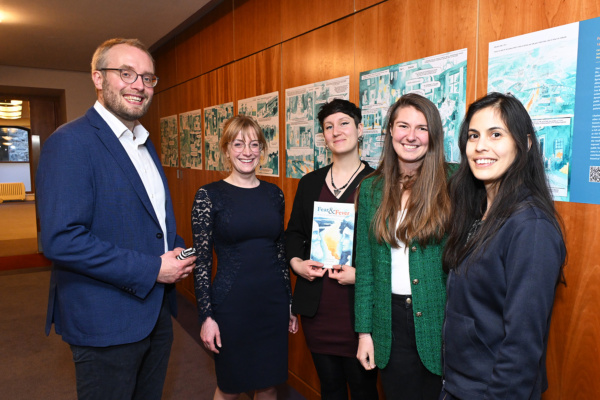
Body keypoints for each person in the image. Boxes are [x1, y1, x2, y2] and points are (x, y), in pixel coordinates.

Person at [36, 38, 196, 400]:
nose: (139, 85)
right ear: (98, 78)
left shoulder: (142, 140)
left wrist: (176, 250)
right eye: (126, 73)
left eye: (148, 78)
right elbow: (61, 239)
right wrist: (152, 269)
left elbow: (149, 218)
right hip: (105, 318)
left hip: (154, 311)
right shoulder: (71, 142)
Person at [440, 92, 566, 399]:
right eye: (473, 135)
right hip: (459, 384)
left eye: (496, 134)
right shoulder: (478, 210)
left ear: (525, 144)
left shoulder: (531, 227)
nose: (480, 146)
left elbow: (521, 348)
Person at [354, 93, 454, 400]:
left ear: (433, 135)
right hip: (389, 322)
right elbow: (367, 267)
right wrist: (364, 333)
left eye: (422, 128)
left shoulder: (455, 181)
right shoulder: (371, 188)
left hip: (443, 318)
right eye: (403, 126)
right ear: (389, 131)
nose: (411, 136)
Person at [192, 115, 297, 400]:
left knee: (269, 384)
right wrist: (207, 316)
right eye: (238, 144)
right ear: (226, 150)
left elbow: (280, 252)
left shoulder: (274, 195)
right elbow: (202, 262)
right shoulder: (208, 196)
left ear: (262, 150)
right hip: (231, 306)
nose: (247, 152)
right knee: (230, 387)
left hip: (272, 303)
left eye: (254, 144)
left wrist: (289, 303)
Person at [286, 99, 378, 400]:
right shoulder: (310, 183)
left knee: (364, 391)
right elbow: (294, 234)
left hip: (361, 313)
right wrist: (297, 263)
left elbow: (391, 251)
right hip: (318, 308)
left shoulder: (380, 183)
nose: (336, 131)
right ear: (323, 136)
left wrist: (361, 275)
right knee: (331, 389)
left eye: (344, 123)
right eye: (328, 126)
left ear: (360, 129)